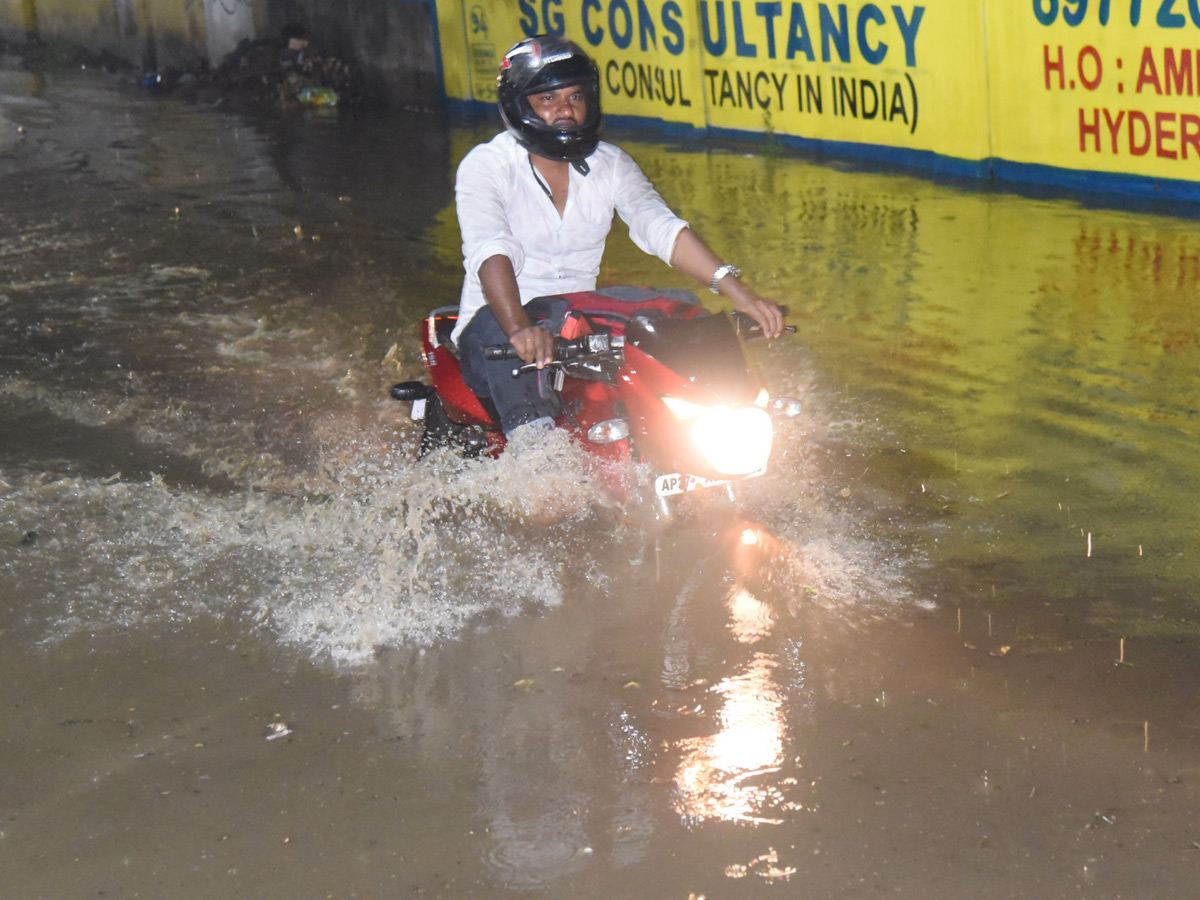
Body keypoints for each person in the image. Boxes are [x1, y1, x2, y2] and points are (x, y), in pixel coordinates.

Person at [454, 34, 785, 435]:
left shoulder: (610, 164)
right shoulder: (486, 165)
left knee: (680, 306)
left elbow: (660, 226)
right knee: (494, 326)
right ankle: (537, 464)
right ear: (520, 106)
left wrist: (741, 295)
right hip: (499, 337)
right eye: (547, 100)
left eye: (575, 98)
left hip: (575, 326)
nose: (565, 111)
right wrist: (519, 328)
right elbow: (492, 249)